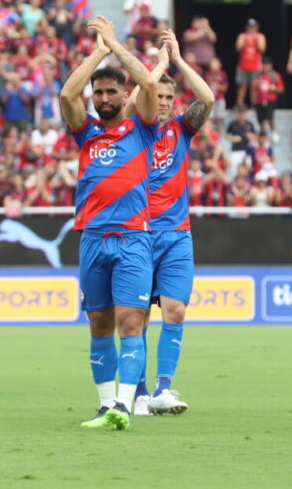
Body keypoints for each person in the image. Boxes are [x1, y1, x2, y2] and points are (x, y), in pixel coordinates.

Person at [60, 15, 158, 431]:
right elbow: (67, 93)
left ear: (123, 95)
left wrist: (116, 46)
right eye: (98, 91)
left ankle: (123, 403)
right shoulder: (87, 134)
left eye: (110, 90)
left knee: (130, 321)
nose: (102, 97)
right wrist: (97, 53)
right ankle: (104, 406)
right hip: (92, 239)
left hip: (134, 239)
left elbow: (150, 85)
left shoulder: (143, 128)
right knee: (98, 322)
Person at [122, 29, 214, 416]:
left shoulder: (181, 129)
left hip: (176, 235)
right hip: (139, 233)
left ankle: (163, 389)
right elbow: (129, 107)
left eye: (167, 98)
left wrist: (177, 62)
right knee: (137, 316)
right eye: (156, 96)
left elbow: (207, 99)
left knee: (175, 310)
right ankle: (140, 392)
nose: (162, 103)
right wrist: (153, 72)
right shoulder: (132, 128)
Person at [234, 18, 266, 108]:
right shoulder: (242, 36)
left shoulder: (260, 36)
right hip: (242, 66)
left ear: (257, 27)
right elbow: (238, 48)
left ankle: (254, 105)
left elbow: (262, 49)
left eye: (253, 27)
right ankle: (239, 104)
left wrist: (255, 41)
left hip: (256, 66)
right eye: (249, 27)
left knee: (254, 87)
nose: (251, 29)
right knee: (242, 86)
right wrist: (245, 42)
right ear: (246, 27)